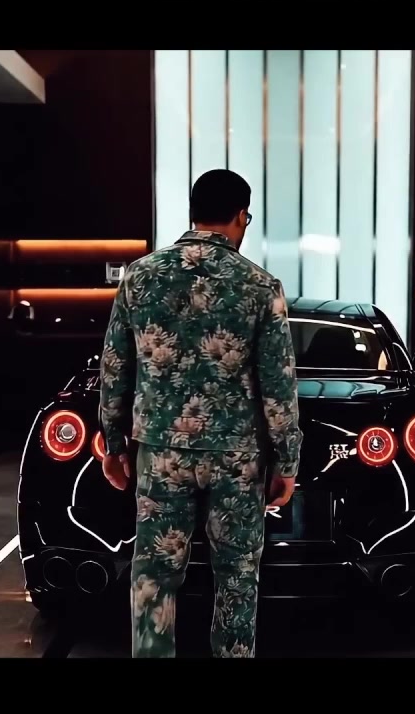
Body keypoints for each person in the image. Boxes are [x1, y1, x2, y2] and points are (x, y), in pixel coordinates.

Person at [98, 169, 302, 658]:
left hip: (161, 452)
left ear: (193, 213)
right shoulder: (260, 286)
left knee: (154, 575)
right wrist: (287, 461)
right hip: (237, 458)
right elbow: (278, 383)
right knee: (236, 577)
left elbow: (115, 367)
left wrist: (114, 444)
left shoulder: (140, 277)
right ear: (241, 216)